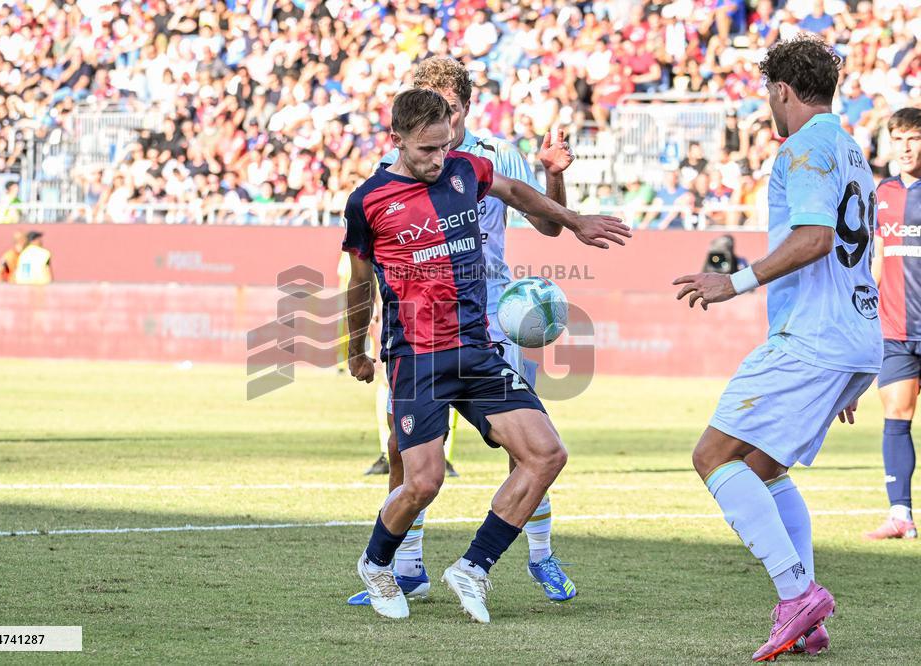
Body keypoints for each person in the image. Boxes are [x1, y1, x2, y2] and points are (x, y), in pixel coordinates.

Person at [343, 88, 628, 622]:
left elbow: (517, 191)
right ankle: (377, 564)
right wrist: (355, 348)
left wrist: (575, 220)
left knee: (546, 454)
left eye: (444, 146)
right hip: (417, 358)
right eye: (426, 150)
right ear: (396, 139)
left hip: (477, 350)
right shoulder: (369, 201)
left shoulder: (465, 169)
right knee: (423, 481)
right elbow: (359, 284)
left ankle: (474, 566)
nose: (438, 159)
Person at [672, 36, 882, 661]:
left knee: (713, 455)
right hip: (849, 336)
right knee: (764, 469)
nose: (768, 102)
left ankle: (798, 595)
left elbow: (816, 238)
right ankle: (807, 620)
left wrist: (733, 282)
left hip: (815, 337)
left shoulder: (804, 146)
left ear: (783, 90)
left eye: (769, 91)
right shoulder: (850, 148)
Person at [866, 106, 921, 540]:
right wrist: (865, 311)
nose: (905, 148)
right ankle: (901, 515)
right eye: (898, 139)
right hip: (895, 331)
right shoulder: (882, 193)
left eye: (914, 139)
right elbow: (878, 259)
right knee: (896, 416)